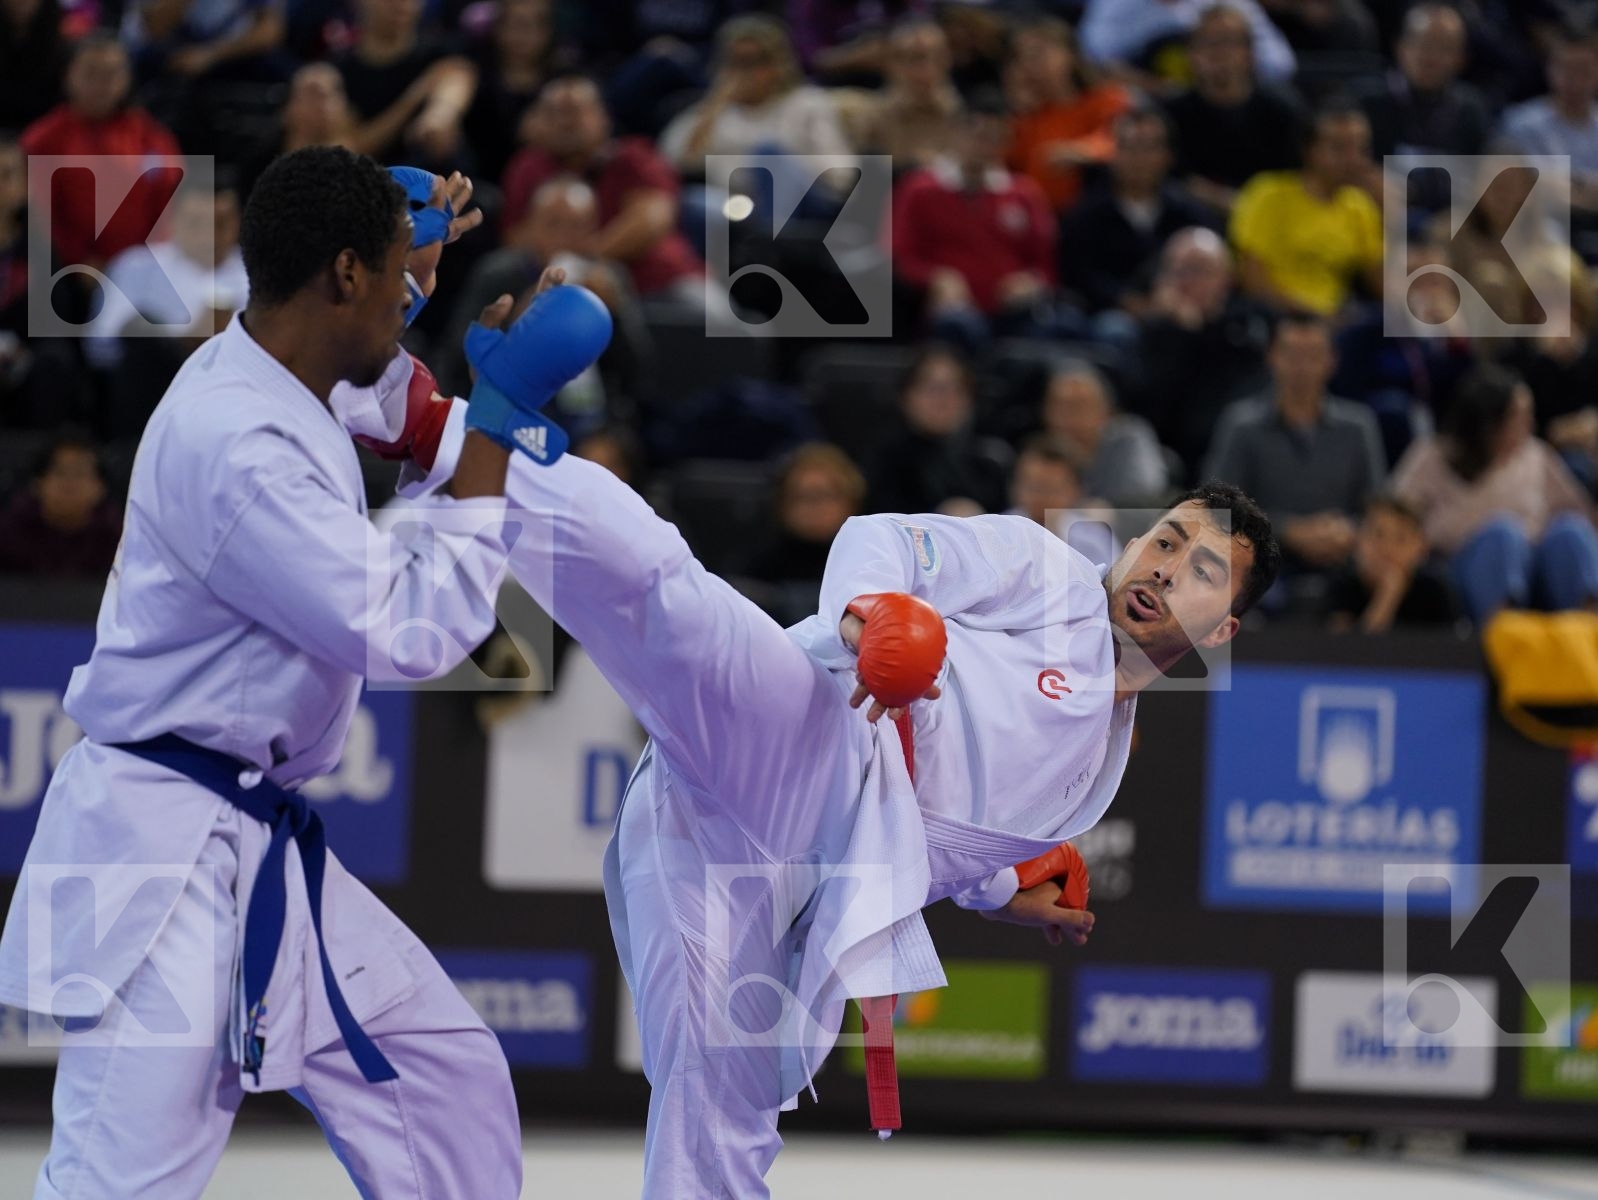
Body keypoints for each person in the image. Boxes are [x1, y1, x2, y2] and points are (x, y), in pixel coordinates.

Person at [378, 338, 1279, 1194]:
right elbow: (879, 538)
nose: (1164, 568)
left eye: (1201, 571)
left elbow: (927, 837)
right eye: (1163, 539)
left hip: (777, 876)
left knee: (726, 1100)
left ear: (1222, 630)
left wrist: (1001, 888)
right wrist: (870, 618)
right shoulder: (1048, 574)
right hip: (806, 728)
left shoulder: (1095, 767)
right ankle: (442, 426)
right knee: (670, 602)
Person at [0, 147, 612, 1199]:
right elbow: (407, 627)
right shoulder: (239, 443)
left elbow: (375, 394)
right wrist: (498, 417)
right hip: (159, 856)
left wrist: (402, 264)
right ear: (339, 276)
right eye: (390, 274)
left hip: (246, 832)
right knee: (120, 1182)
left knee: (440, 1073)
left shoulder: (279, 366)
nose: (408, 298)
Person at [1391, 364, 1598, 623]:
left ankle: (1589, 634)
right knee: (1503, 535)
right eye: (1519, 418)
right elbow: (1396, 516)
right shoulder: (1432, 456)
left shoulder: (1535, 455)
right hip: (1461, 570)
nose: (1530, 425)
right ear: (1490, 424)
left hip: (1538, 568)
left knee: (1572, 530)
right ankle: (1507, 636)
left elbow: (1581, 514)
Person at [1204, 313, 1386, 600]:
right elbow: (1217, 509)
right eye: (1291, 354)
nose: (1302, 367)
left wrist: (1346, 530)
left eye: (1313, 355)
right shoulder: (1241, 425)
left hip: (1343, 561)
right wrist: (1290, 531)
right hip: (1259, 562)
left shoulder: (1359, 426)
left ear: (1331, 361)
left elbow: (1376, 507)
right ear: (1272, 357)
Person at [1229, 101, 1384, 317]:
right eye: (1339, 148)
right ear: (1309, 151)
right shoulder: (1267, 194)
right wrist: (1310, 317)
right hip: (1274, 319)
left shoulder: (1360, 206)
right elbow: (1253, 281)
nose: (1354, 159)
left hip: (1335, 326)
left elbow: (1382, 285)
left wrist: (1391, 213)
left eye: (1361, 148)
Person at [1160, 3, 1305, 216]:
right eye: (1207, 42)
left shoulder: (1283, 111)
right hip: (1194, 221)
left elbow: (1297, 181)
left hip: (1271, 221)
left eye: (1229, 42)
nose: (1218, 52)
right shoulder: (1170, 114)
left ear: (1249, 54)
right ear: (1191, 55)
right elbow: (1170, 181)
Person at [1003, 17, 1131, 214]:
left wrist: (1079, 151)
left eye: (1038, 54)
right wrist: (1018, 114)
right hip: (1039, 218)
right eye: (1022, 57)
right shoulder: (1025, 118)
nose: (1029, 64)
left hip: (1098, 212)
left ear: (1069, 55)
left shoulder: (1105, 99)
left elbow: (1117, 140)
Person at [1324, 494, 1462, 633]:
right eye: (1378, 534)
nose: (1386, 548)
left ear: (1421, 547)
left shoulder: (1436, 590)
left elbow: (1453, 647)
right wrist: (1388, 595)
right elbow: (1345, 649)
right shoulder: (1342, 586)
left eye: (1400, 539)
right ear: (1359, 540)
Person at [1040, 361, 1169, 506]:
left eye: (1078, 406)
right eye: (1058, 405)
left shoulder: (1128, 439)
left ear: (1105, 411)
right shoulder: (1039, 449)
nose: (1066, 416)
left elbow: (1145, 497)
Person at [0, 428, 122, 577]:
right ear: (37, 483)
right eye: (59, 472)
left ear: (100, 487)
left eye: (80, 473)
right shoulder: (9, 536)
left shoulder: (117, 540)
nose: (69, 484)